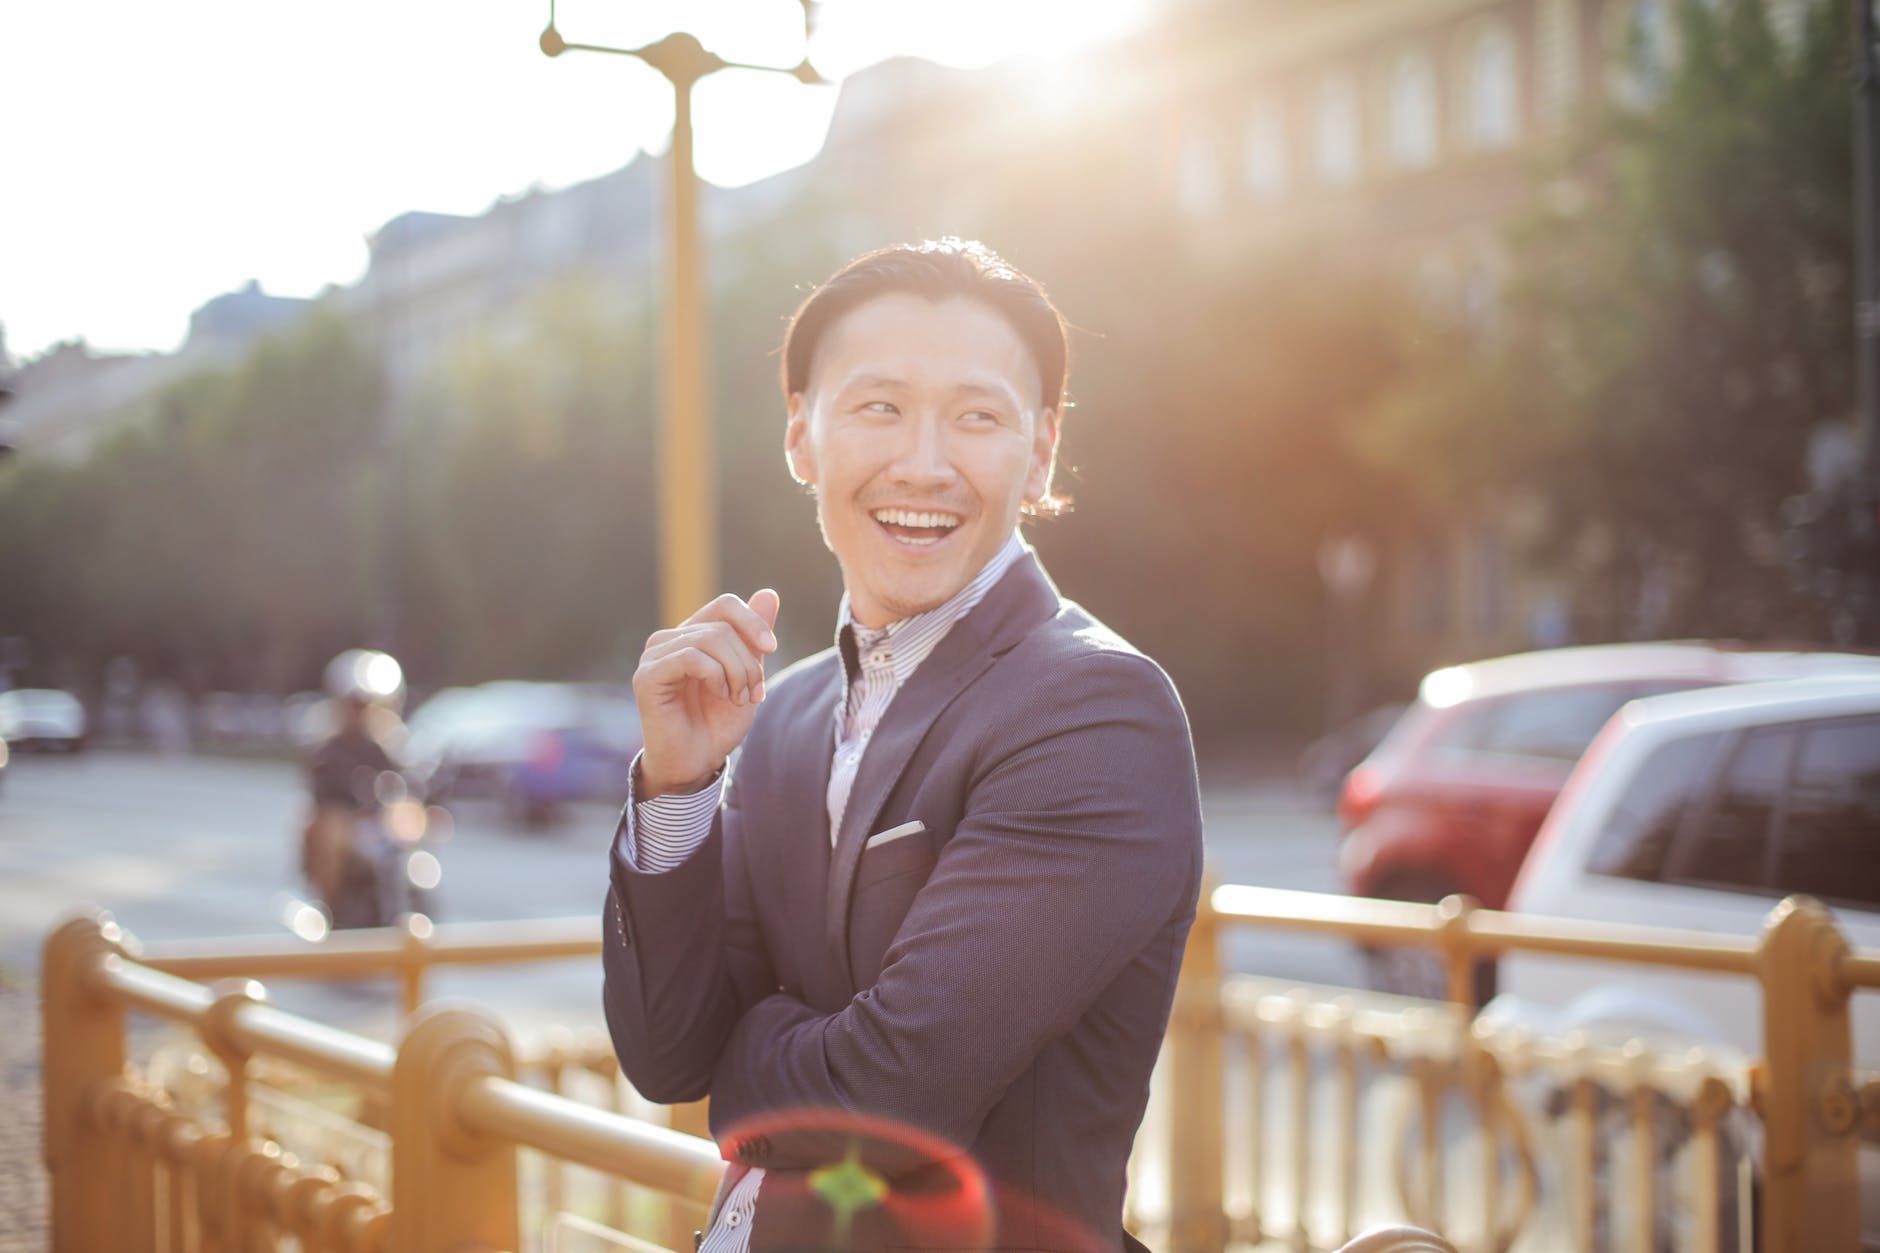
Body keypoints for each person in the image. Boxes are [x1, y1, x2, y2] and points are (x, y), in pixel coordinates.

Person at [602, 239, 1204, 1252]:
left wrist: (745, 1053)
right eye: (878, 406)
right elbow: (667, 1055)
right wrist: (678, 785)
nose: (924, 465)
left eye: (977, 416)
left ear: (1041, 450)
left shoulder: (1098, 709)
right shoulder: (784, 713)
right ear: (801, 435)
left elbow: (890, 1098)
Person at [303, 649, 407, 922]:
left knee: (409, 831)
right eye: (354, 705)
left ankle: (407, 903)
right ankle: (329, 902)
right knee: (330, 833)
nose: (360, 712)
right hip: (345, 820)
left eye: (365, 706)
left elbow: (402, 782)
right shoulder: (328, 751)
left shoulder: (382, 749)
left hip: (377, 821)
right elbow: (322, 793)